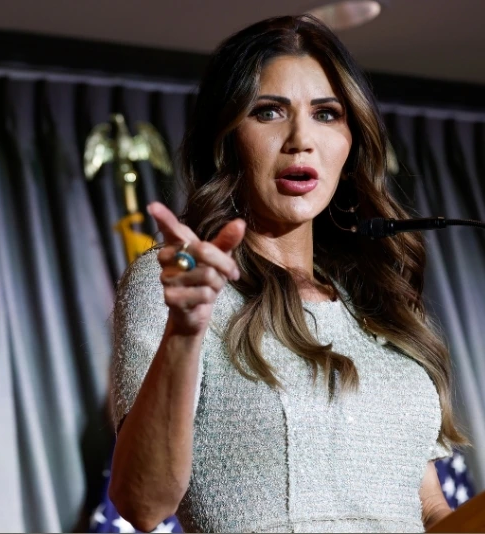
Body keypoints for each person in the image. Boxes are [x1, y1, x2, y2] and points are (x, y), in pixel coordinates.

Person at [108, 14, 466, 533]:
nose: (301, 138)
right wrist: (185, 332)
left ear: (351, 140)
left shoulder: (378, 296)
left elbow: (430, 511)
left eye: (326, 114)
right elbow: (142, 505)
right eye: (269, 111)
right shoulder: (180, 286)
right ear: (226, 138)